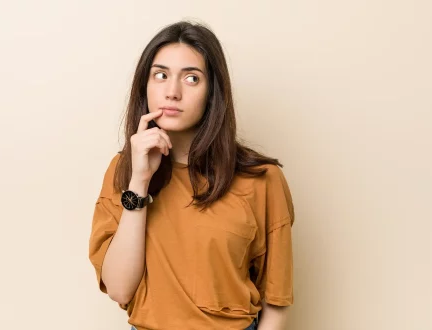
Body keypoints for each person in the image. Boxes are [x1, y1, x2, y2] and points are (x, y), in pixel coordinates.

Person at [88, 21, 295, 330]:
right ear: (145, 87)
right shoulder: (125, 171)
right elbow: (119, 288)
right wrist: (140, 182)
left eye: (191, 78)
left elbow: (276, 302)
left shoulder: (262, 179)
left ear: (212, 92)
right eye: (161, 75)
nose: (172, 92)